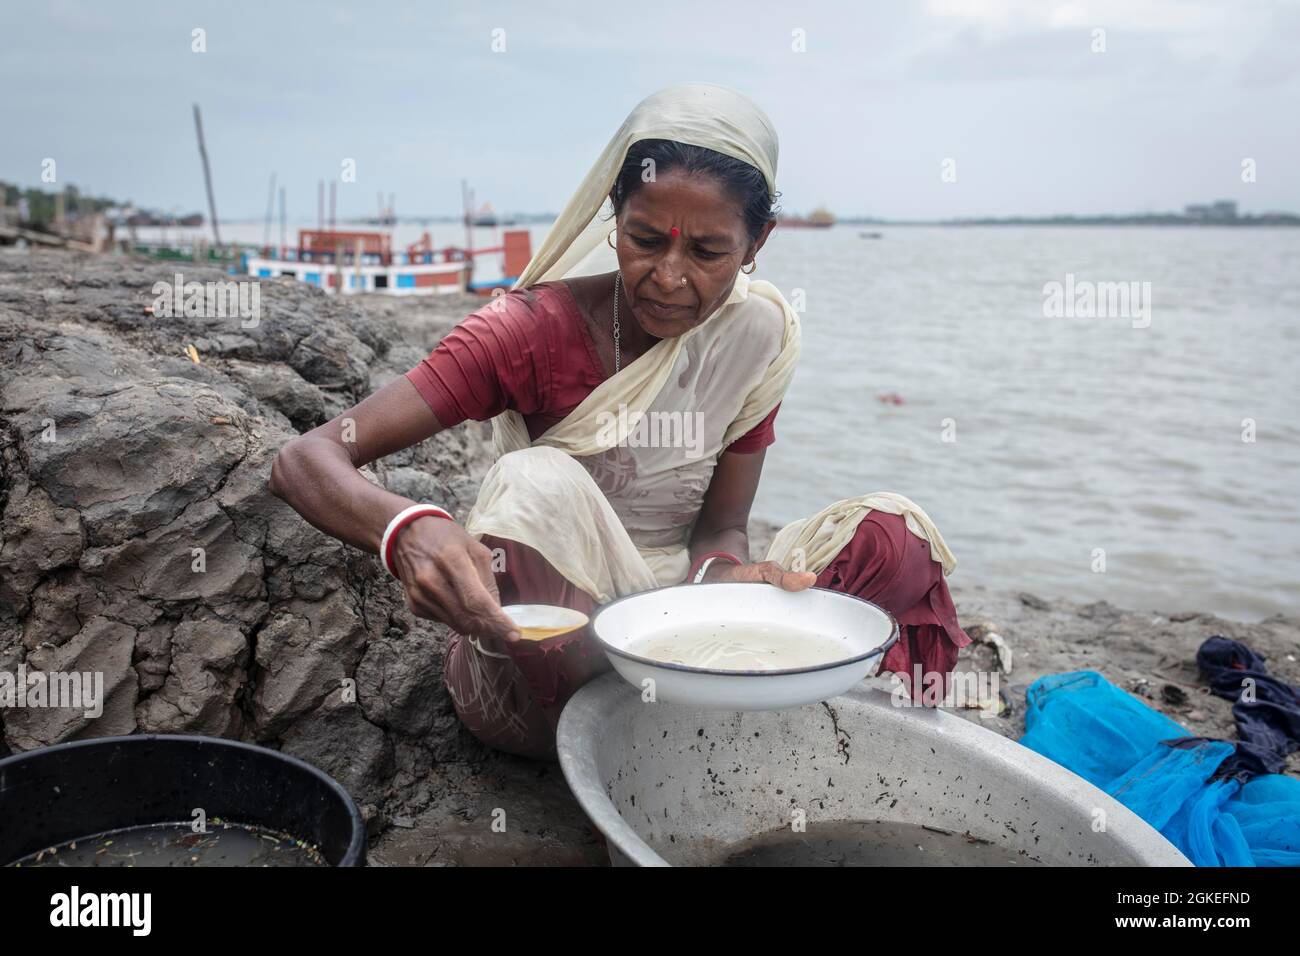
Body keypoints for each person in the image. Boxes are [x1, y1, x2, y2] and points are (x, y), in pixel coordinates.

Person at [269, 82, 970, 760]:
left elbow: (721, 526)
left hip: (683, 611)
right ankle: (627, 738)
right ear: (613, 222)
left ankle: (760, 715)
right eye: (644, 240)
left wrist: (724, 577)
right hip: (548, 654)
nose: (668, 276)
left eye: (706, 252)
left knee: (893, 534)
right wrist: (405, 529)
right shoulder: (529, 330)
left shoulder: (756, 334)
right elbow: (307, 459)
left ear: (757, 242)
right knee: (535, 482)